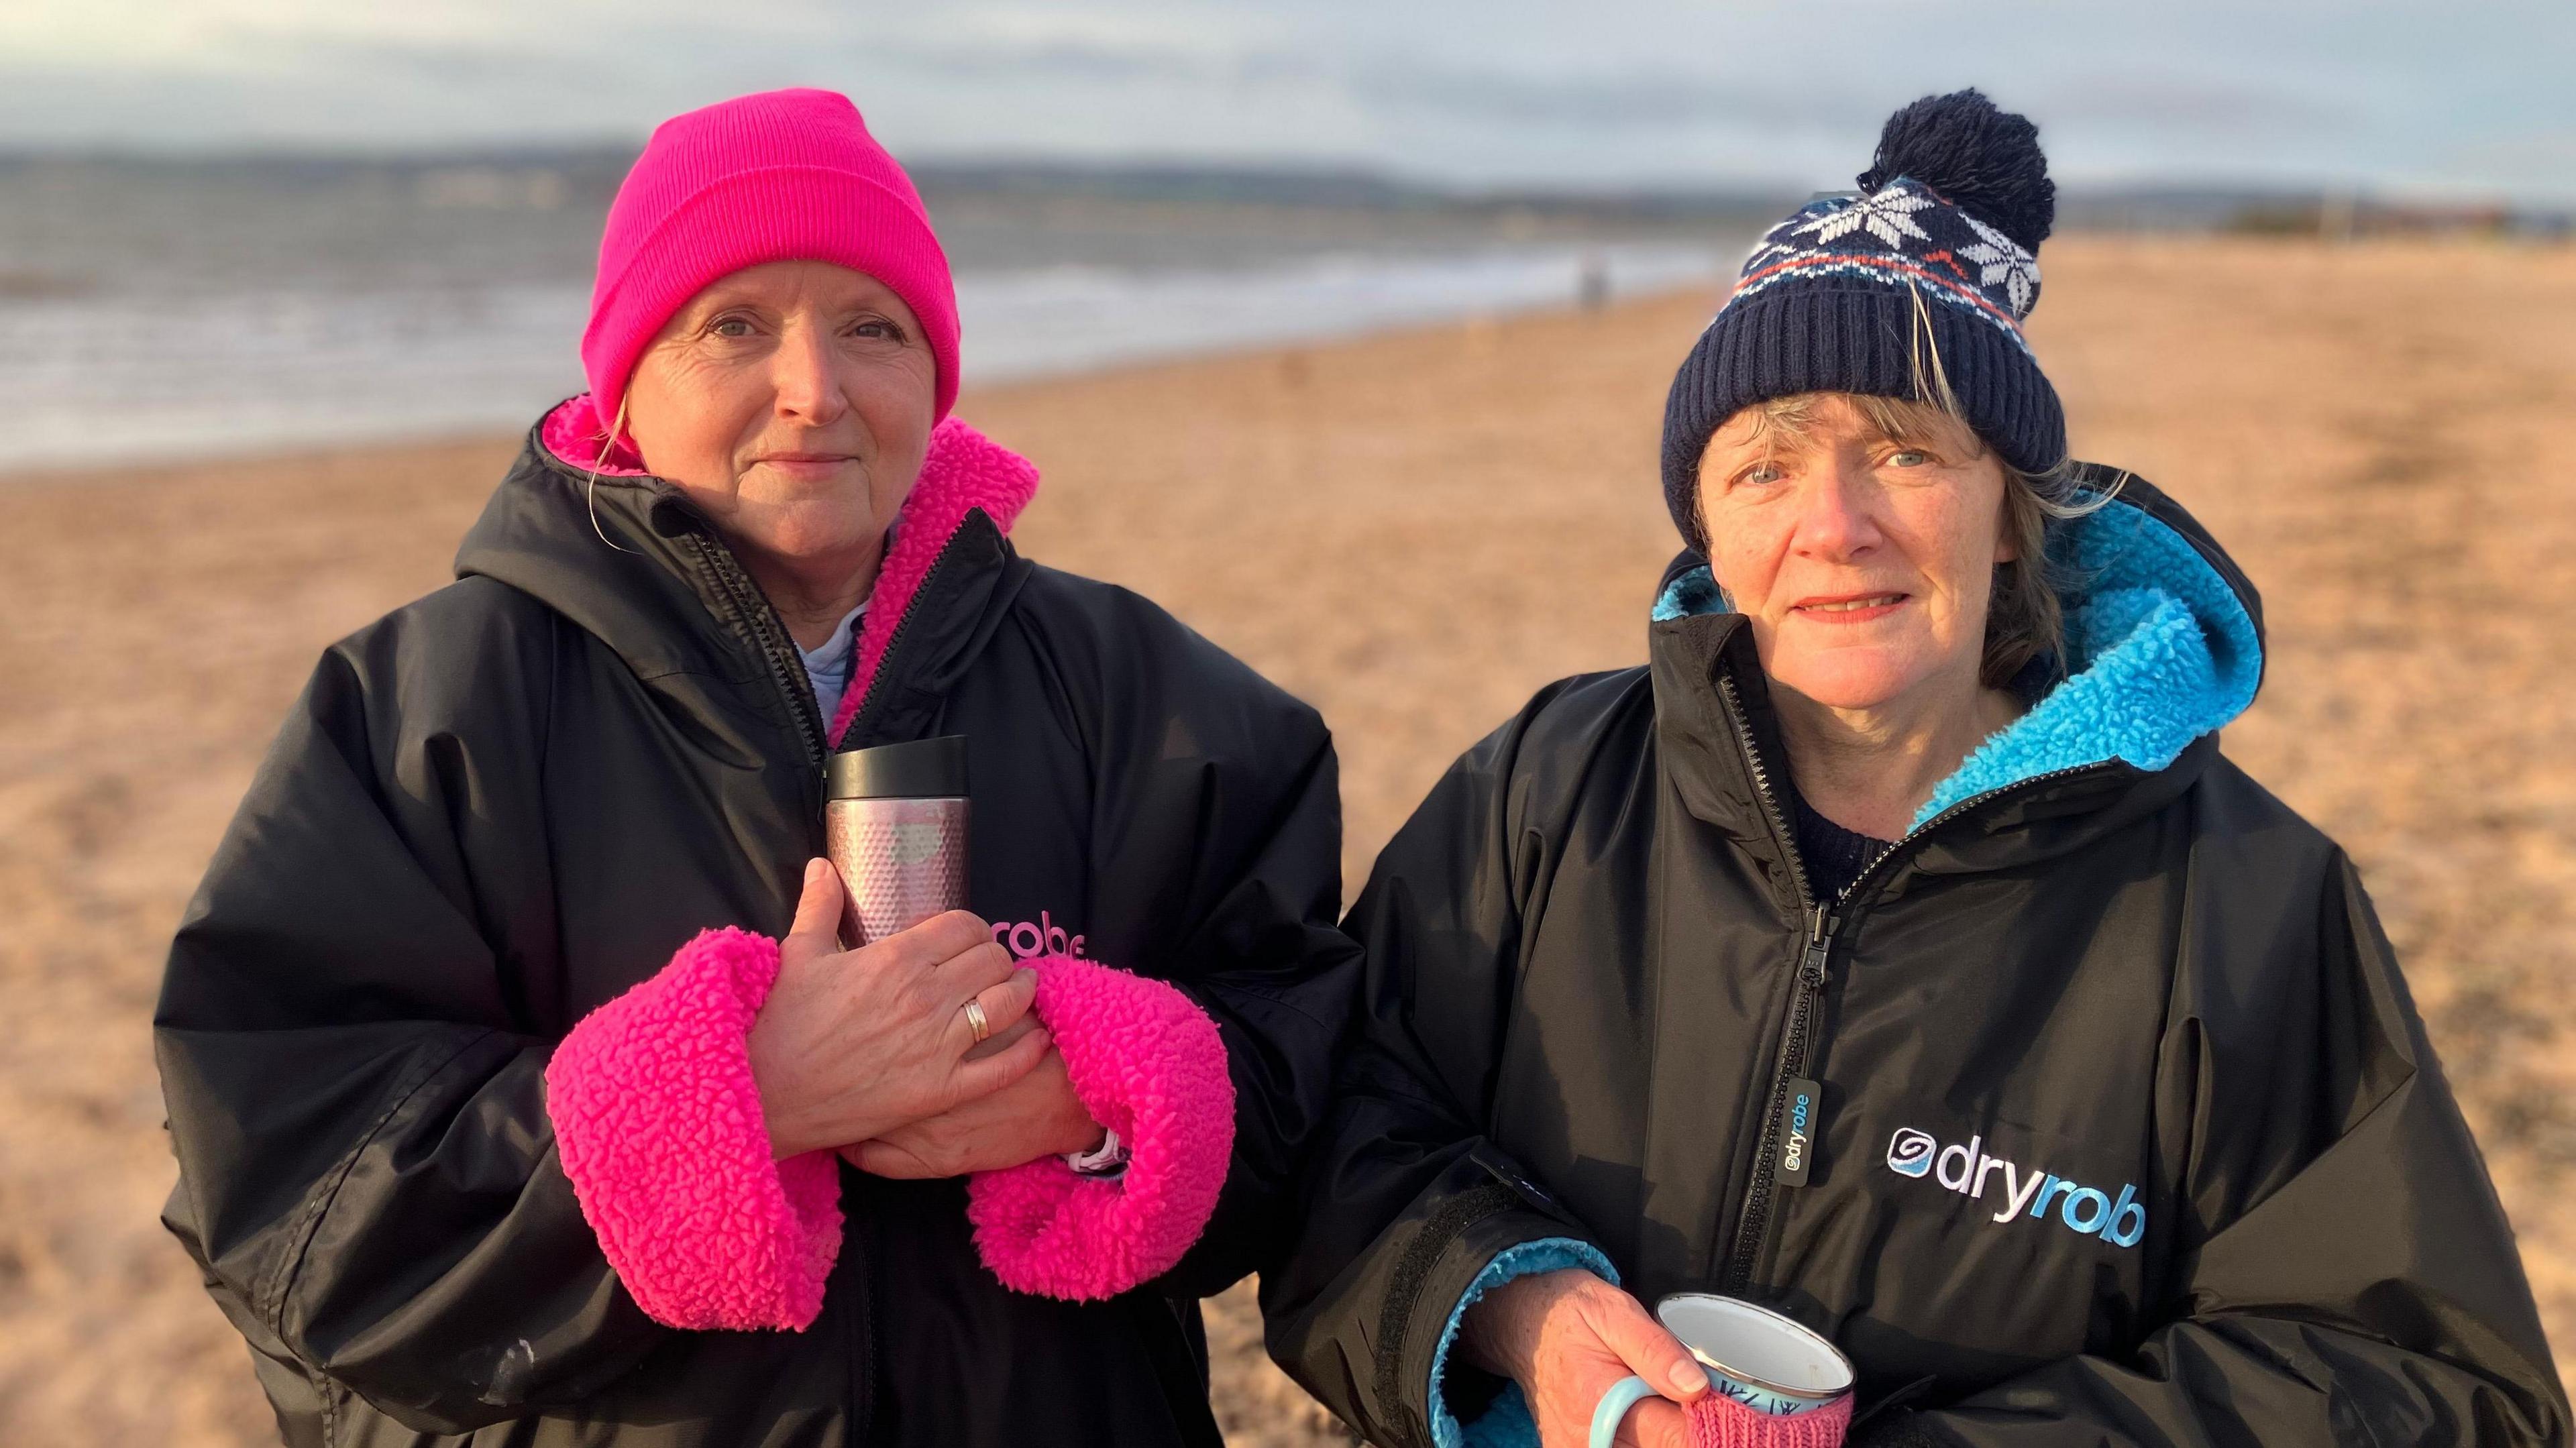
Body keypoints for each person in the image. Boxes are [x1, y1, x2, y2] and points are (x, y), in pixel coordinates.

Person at [1264, 91, 2569, 1447]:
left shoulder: (2240, 902)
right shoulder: (1547, 795)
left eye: (1904, 450)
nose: (1835, 526)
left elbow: (2435, 1385)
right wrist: (1517, 1317)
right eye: (1765, 468)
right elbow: (1342, 1136)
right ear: (1708, 526)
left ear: (2012, 509)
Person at [156, 88, 1358, 1447]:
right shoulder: (425, 712)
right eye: (734, 325)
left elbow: (1323, 1079)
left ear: (935, 372)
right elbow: (285, 1194)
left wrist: (1111, 1097)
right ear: (624, 382)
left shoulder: (1157, 700)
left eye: (873, 327)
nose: (815, 390)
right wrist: (740, 1099)